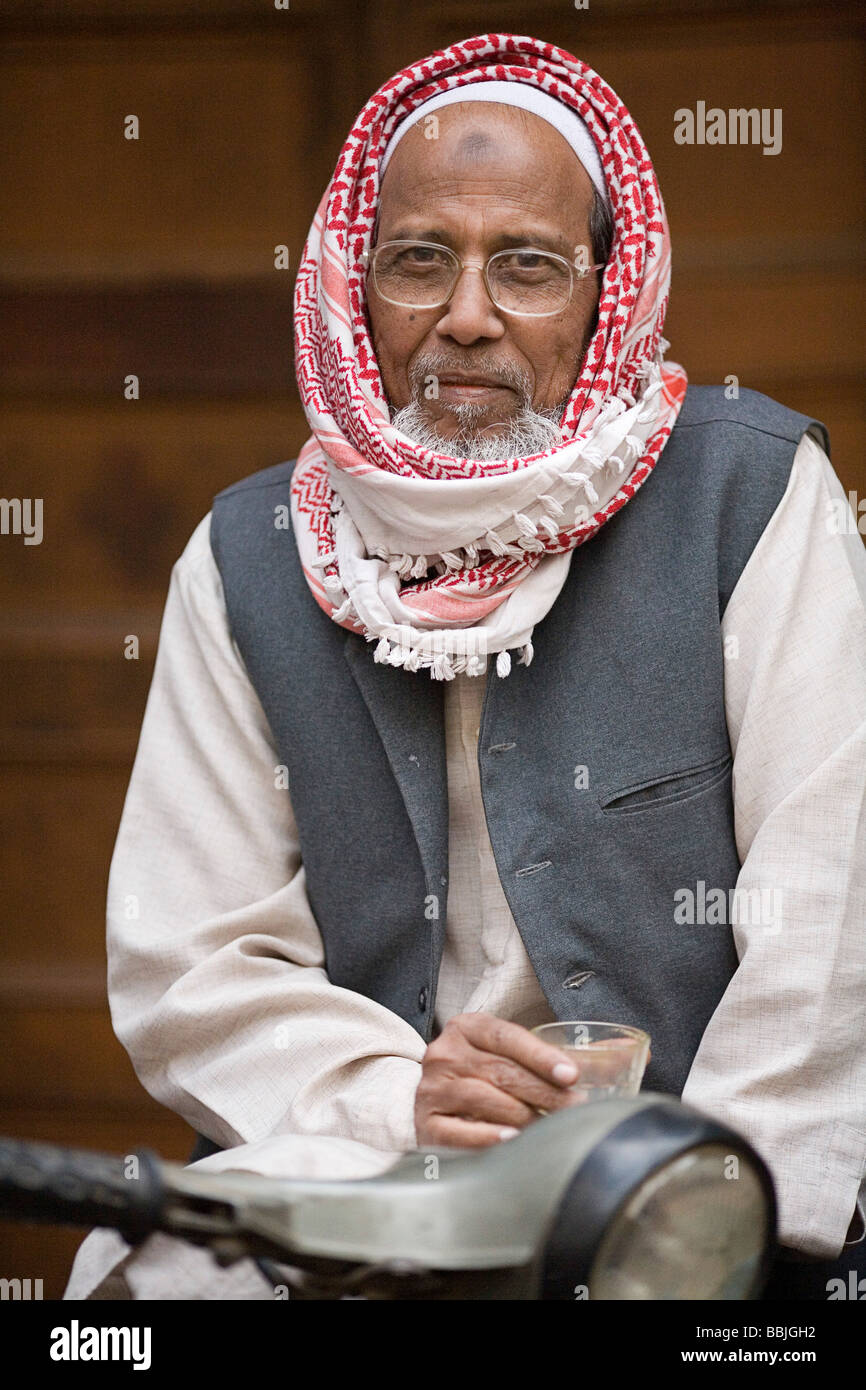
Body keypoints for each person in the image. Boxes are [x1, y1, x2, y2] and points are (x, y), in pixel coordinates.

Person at [65, 33, 866, 1301]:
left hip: (682, 1181)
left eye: (528, 268)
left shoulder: (753, 497)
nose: (468, 317)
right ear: (355, 285)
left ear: (607, 294)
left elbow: (826, 922)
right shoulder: (248, 554)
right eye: (419, 262)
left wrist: (693, 1205)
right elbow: (192, 961)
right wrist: (401, 1107)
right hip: (372, 1162)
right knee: (120, 1303)